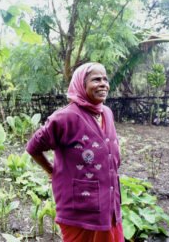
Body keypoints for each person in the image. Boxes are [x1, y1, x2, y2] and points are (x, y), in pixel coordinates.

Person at [26, 63, 124, 242]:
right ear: (81, 84)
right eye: (96, 79)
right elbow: (34, 147)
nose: (103, 84)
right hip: (80, 209)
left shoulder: (107, 113)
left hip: (109, 204)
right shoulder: (65, 117)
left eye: (105, 79)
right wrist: (51, 170)